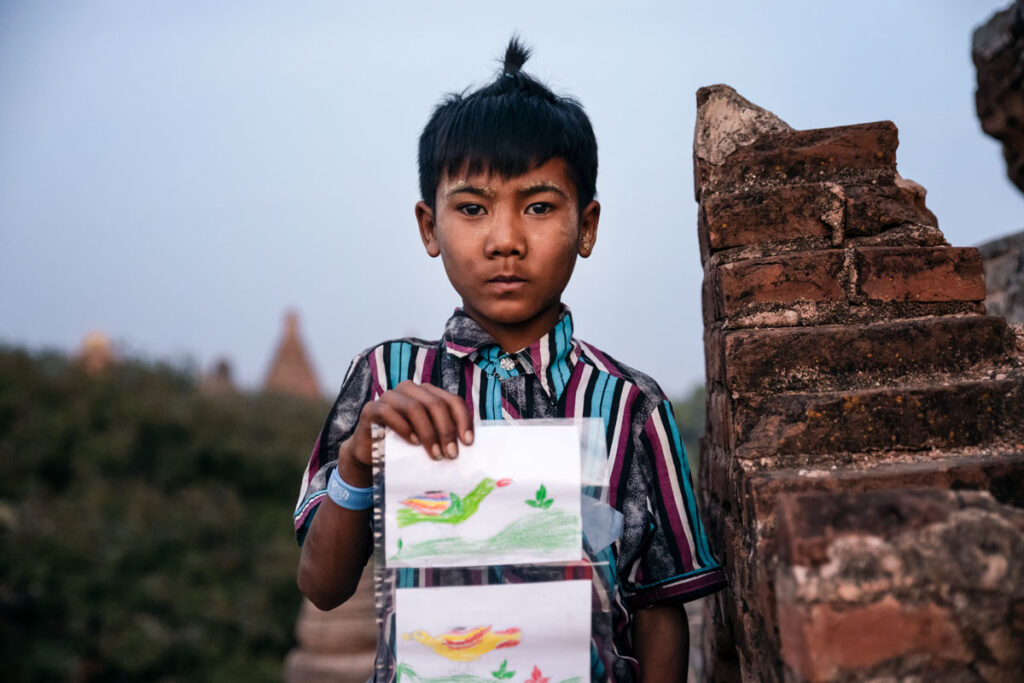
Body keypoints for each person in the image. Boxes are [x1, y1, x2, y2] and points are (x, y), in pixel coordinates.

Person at [294, 38, 725, 683]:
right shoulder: (386, 381)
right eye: (472, 209)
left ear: (587, 226)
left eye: (539, 206)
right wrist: (357, 460)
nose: (505, 241)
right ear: (428, 227)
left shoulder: (630, 406)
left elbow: (660, 608)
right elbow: (323, 587)